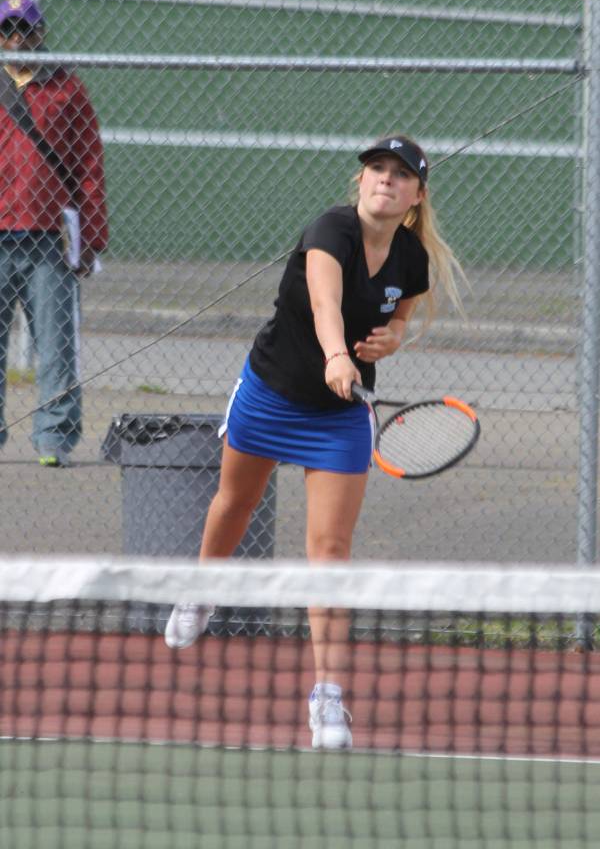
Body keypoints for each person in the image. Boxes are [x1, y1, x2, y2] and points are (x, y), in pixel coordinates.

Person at [165, 134, 464, 749]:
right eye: (376, 169)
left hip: (340, 416)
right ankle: (202, 590)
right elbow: (326, 301)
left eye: (400, 175)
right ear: (360, 182)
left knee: (330, 552)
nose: (386, 179)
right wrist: (335, 353)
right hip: (272, 391)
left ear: (416, 196)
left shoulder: (411, 259)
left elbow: (401, 313)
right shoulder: (329, 229)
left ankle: (327, 696)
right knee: (235, 503)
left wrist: (392, 340)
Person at [0, 0, 109, 466]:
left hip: (49, 236)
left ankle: (54, 439)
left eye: (25, 28)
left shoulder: (66, 87)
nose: (17, 38)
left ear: (41, 33)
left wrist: (93, 235)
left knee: (57, 345)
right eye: (7, 29)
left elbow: (89, 164)